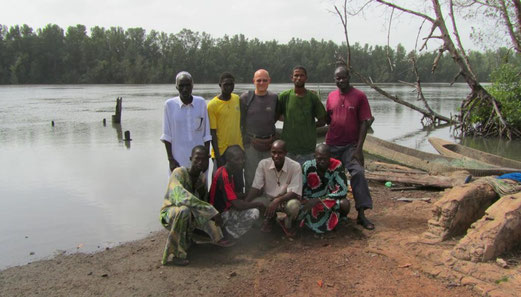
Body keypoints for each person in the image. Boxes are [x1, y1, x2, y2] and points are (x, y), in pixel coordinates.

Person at [159, 146, 232, 266]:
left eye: (204, 160)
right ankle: (177, 255)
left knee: (213, 227)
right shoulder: (178, 173)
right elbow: (181, 197)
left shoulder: (201, 179)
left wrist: (215, 227)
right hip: (169, 214)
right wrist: (211, 211)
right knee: (184, 210)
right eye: (197, 159)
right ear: (190, 158)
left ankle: (192, 241)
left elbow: (202, 203)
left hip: (190, 214)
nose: (200, 162)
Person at [325, 65, 375, 230]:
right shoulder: (331, 96)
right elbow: (327, 119)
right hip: (332, 144)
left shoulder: (359, 96)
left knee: (358, 173)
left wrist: (358, 149)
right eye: (337, 78)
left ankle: (361, 213)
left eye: (343, 77)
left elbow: (364, 123)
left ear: (349, 77)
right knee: (327, 176)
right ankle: (331, 210)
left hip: (351, 146)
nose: (341, 81)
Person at [244, 140, 302, 236]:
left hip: (286, 200)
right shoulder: (263, 164)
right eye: (273, 152)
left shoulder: (295, 166)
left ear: (285, 153)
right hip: (268, 200)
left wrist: (277, 200)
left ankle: (289, 223)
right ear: (270, 152)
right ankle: (270, 219)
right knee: (255, 204)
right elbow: (256, 187)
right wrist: (246, 203)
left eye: (280, 153)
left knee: (294, 206)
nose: (276, 156)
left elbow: (295, 192)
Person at [209, 145, 264, 239]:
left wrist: (248, 194)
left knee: (250, 204)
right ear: (228, 160)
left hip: (224, 211)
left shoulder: (228, 172)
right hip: (218, 215)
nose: (241, 162)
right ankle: (228, 234)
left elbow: (232, 195)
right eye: (237, 159)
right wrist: (259, 204)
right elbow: (238, 205)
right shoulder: (223, 175)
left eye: (243, 159)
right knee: (254, 213)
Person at [160, 71, 211, 172]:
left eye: (188, 85)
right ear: (176, 87)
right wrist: (170, 159)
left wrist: (206, 159)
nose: (185, 89)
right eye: (181, 86)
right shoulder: (169, 105)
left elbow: (207, 135)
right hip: (178, 158)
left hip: (199, 160)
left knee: (199, 186)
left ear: (192, 86)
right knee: (178, 186)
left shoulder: (201, 103)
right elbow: (167, 136)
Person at [277, 66, 327, 165]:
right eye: (296, 75)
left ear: (306, 78)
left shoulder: (313, 98)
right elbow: (277, 116)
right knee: (288, 179)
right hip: (288, 149)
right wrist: (291, 120)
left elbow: (322, 120)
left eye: (301, 75)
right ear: (292, 77)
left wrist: (309, 125)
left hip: (307, 149)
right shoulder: (284, 96)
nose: (299, 78)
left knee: (306, 178)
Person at [240, 69, 279, 191]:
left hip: (269, 143)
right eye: (258, 80)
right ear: (253, 81)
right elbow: (240, 121)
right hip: (251, 144)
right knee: (251, 177)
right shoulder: (245, 97)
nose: (261, 83)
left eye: (264, 80)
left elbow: (276, 116)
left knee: (270, 177)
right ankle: (251, 205)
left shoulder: (274, 98)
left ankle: (268, 206)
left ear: (269, 81)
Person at [299, 144, 351, 233]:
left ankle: (340, 219)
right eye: (319, 159)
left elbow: (343, 190)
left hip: (329, 199)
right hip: (309, 200)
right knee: (296, 207)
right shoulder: (307, 166)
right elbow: (301, 188)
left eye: (325, 159)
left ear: (330, 157)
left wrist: (320, 199)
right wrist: (307, 201)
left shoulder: (337, 165)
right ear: (314, 157)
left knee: (345, 204)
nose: (322, 161)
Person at [208, 72, 243, 168]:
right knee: (220, 180)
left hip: (237, 150)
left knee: (238, 181)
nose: (229, 87)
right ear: (220, 85)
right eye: (225, 85)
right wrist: (218, 156)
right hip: (221, 151)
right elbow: (212, 133)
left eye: (231, 84)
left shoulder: (236, 99)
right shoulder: (212, 105)